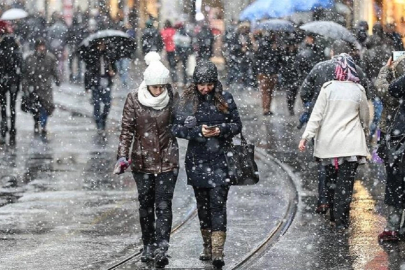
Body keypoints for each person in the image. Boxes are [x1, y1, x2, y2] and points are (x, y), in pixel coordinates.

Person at [172, 60, 242, 268]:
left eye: (209, 84)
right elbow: (176, 128)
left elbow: (237, 125)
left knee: (218, 205)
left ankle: (218, 251)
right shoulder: (186, 101)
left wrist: (221, 130)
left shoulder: (226, 98)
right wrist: (197, 132)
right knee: (203, 207)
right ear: (195, 83)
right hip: (197, 161)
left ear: (215, 82)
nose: (205, 88)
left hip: (221, 160)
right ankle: (207, 247)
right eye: (201, 84)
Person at [116, 52, 179, 268]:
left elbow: (181, 121)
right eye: (155, 87)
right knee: (146, 206)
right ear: (147, 84)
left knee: (163, 205)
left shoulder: (173, 96)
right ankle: (148, 244)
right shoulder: (134, 98)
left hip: (167, 161)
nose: (159, 90)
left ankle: (162, 245)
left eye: (162, 86)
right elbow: (127, 130)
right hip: (142, 162)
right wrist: (122, 156)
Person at [299, 40, 372, 215]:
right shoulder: (357, 72)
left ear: (332, 52)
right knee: (345, 176)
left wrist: (311, 107)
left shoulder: (320, 68)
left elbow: (304, 92)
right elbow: (367, 96)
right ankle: (340, 212)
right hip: (349, 134)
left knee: (325, 164)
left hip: (324, 127)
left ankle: (325, 199)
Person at [376, 56, 405, 242]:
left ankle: (393, 228)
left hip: (401, 136)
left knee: (396, 180)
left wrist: (386, 70)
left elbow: (392, 90)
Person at [23, 39, 60, 141]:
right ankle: (36, 123)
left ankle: (43, 126)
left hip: (45, 88)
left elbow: (55, 70)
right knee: (35, 108)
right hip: (34, 87)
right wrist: (25, 86)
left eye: (43, 46)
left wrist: (57, 79)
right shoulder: (30, 58)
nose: (41, 48)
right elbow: (25, 74)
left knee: (46, 107)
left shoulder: (50, 58)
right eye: (39, 46)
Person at [83, 40, 116, 133]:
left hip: (106, 82)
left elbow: (114, 69)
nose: (102, 46)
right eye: (100, 44)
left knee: (107, 103)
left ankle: (103, 119)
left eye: (103, 44)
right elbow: (88, 71)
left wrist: (112, 72)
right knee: (96, 104)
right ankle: (98, 123)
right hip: (95, 82)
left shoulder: (109, 56)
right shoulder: (92, 56)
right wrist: (87, 85)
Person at [0, 22, 22, 146]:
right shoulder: (16, 46)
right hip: (13, 80)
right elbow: (21, 64)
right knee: (12, 107)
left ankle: (4, 129)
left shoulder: (1, 46)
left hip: (2, 80)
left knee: (3, 107)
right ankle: (12, 130)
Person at [253, 31, 282, 116]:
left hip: (268, 72)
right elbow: (277, 59)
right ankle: (266, 108)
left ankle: (267, 108)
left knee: (268, 91)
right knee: (267, 91)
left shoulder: (264, 45)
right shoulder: (268, 45)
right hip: (268, 72)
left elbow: (279, 59)